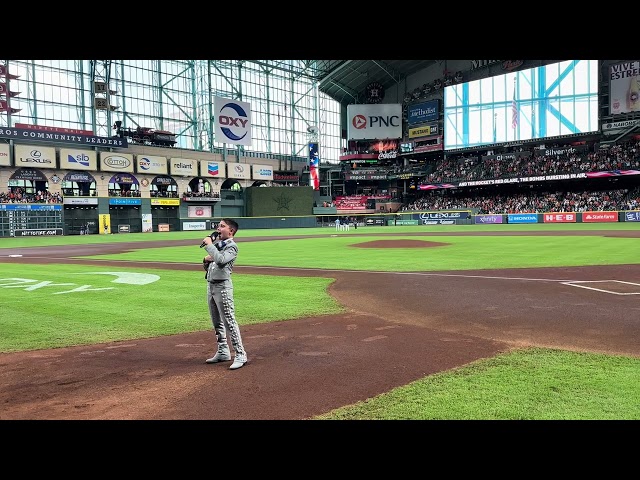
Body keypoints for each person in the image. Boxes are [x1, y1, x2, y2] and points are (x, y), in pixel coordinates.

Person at [202, 218, 248, 370]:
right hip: (211, 286)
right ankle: (223, 351)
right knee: (217, 322)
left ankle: (240, 354)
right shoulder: (218, 246)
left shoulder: (232, 247)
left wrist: (209, 245)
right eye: (218, 226)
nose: (218, 228)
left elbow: (221, 261)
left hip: (223, 287)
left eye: (222, 226)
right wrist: (205, 260)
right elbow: (211, 267)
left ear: (231, 231)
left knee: (229, 321)